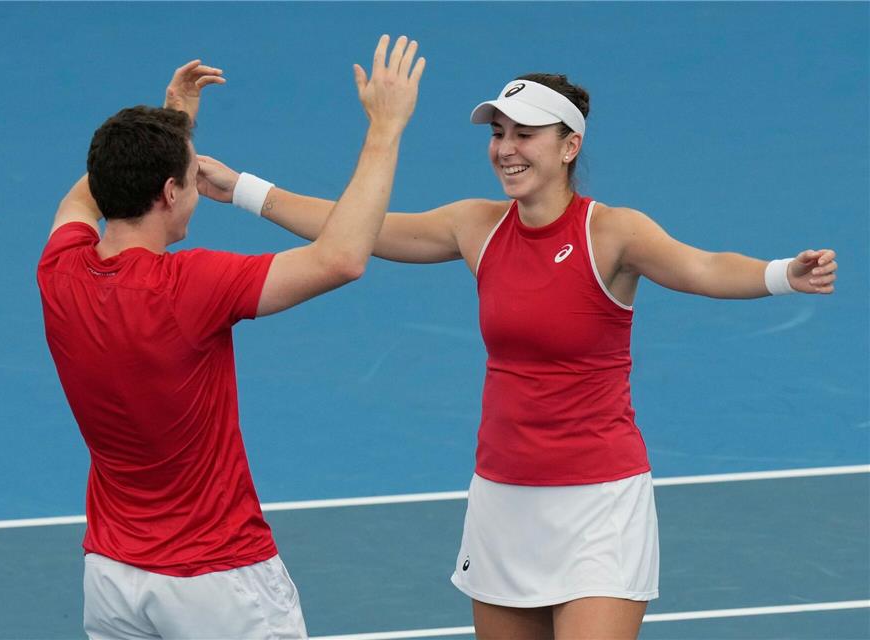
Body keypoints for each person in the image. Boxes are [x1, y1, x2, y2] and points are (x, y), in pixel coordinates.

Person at [210, 74, 839, 638]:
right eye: (499, 133)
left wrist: (784, 273)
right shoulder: (475, 225)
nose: (506, 148)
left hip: (600, 502)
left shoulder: (613, 232)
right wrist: (240, 187)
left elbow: (703, 266)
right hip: (503, 500)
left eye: (526, 134)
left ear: (569, 146)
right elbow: (353, 227)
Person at [37, 36, 425, 640]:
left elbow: (86, 192)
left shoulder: (59, 269)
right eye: (189, 179)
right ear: (169, 194)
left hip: (112, 579)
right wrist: (386, 127)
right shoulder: (191, 285)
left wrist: (171, 125)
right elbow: (343, 258)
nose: (196, 188)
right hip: (218, 583)